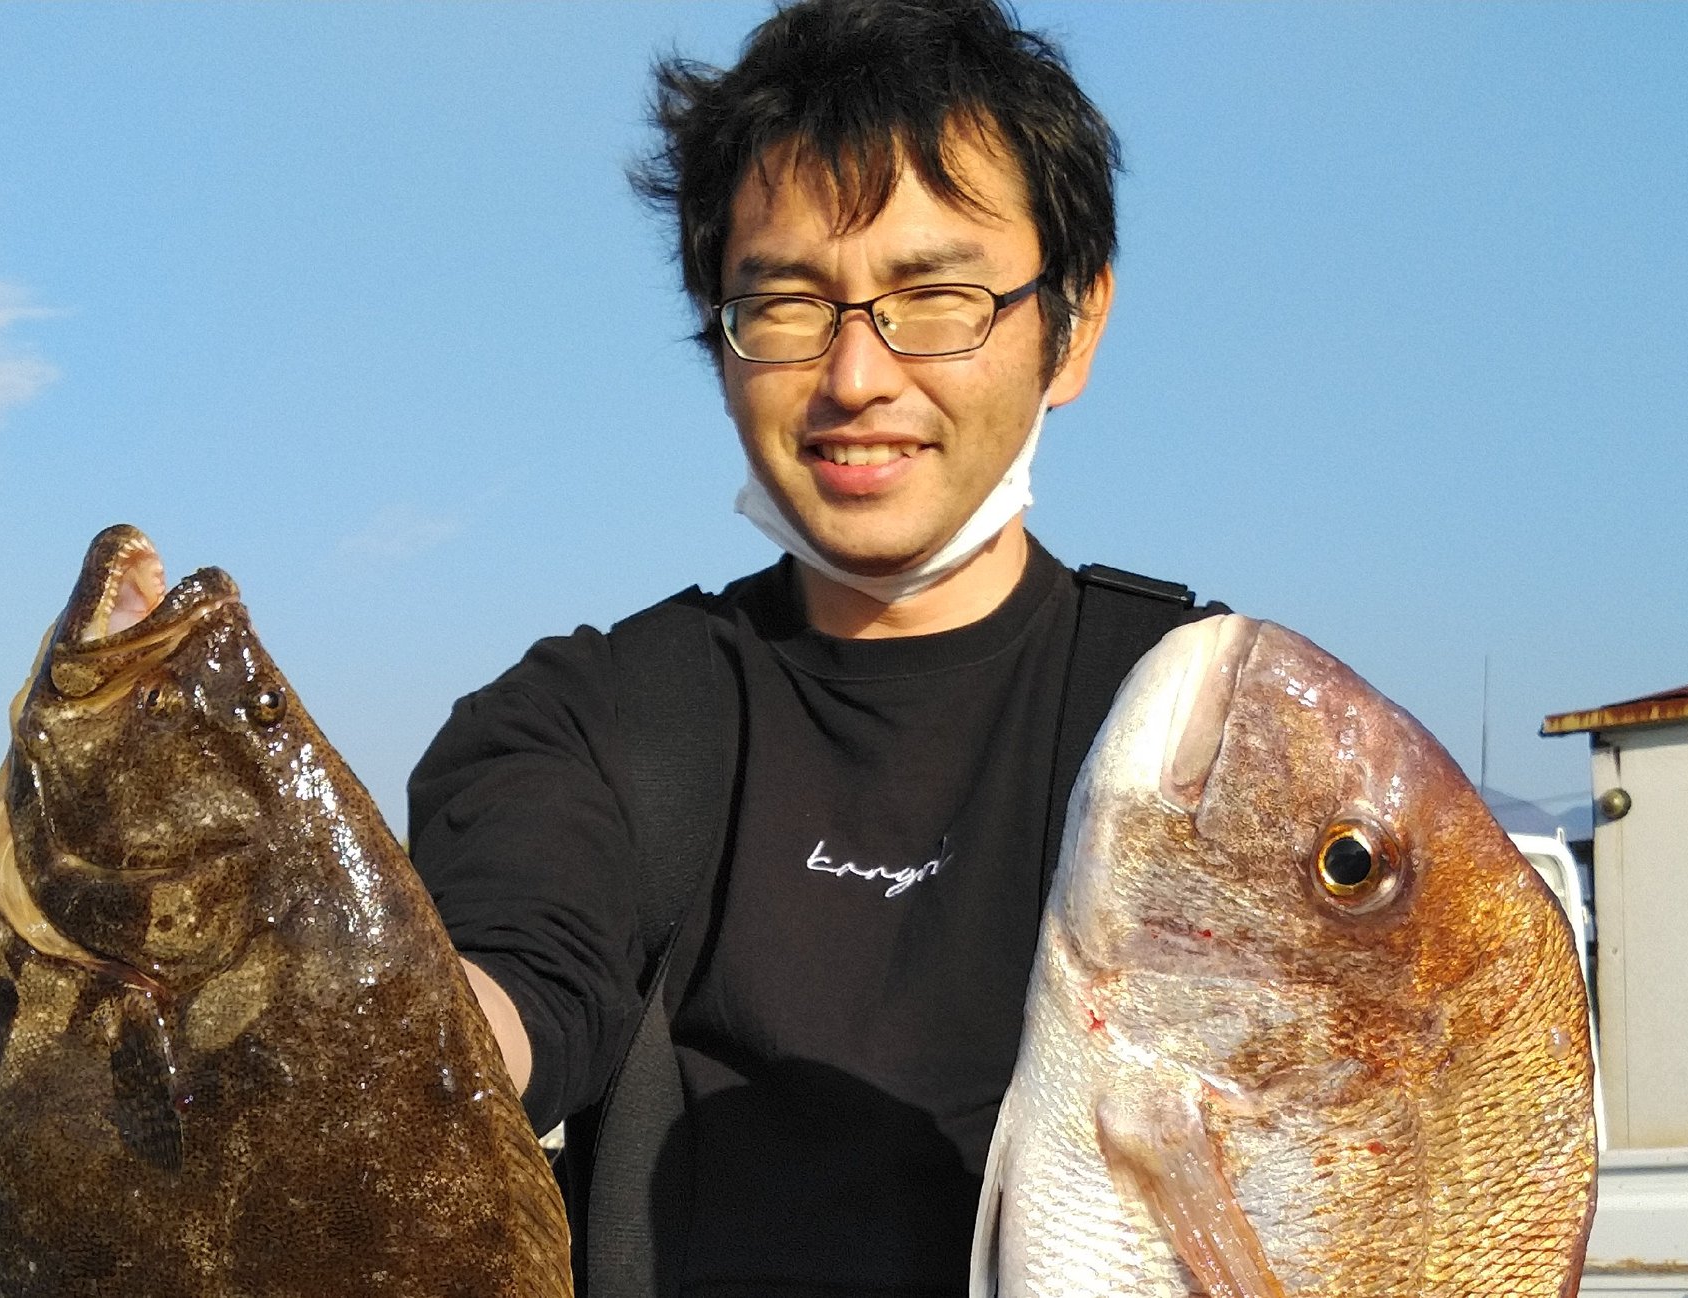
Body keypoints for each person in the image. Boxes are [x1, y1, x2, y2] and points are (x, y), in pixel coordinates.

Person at [407, 1, 1220, 1293]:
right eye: (783, 303)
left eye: (935, 296)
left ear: (1074, 325)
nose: (855, 375)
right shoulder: (587, 716)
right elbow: (511, 987)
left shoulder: (1220, 726)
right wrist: (346, 1022)